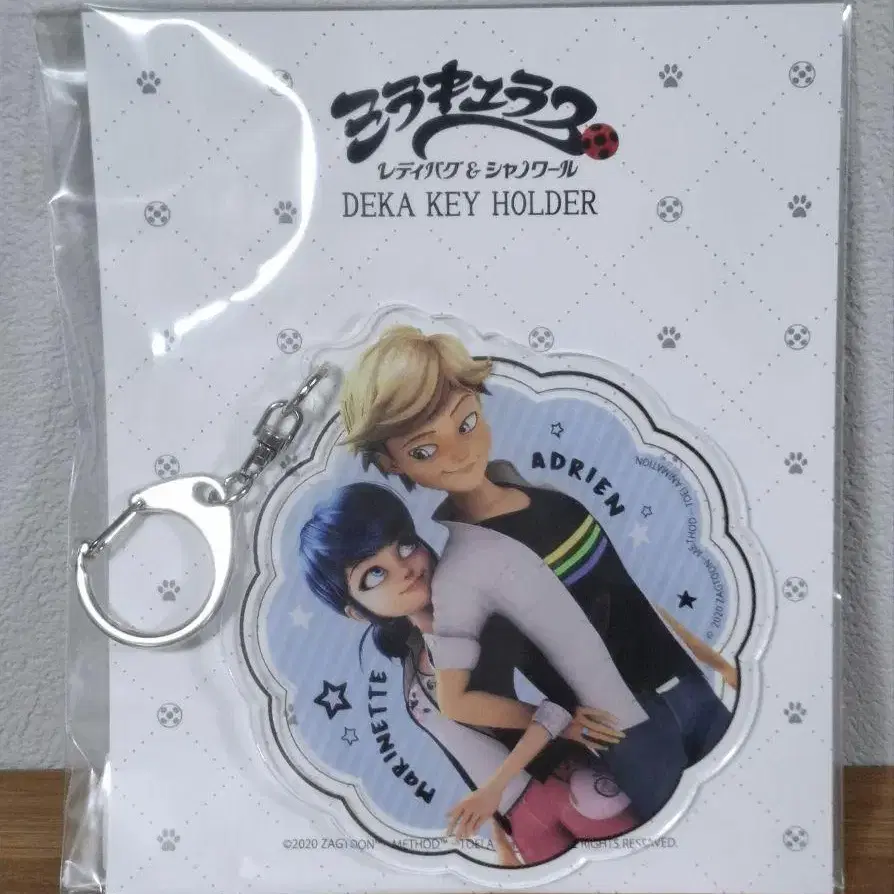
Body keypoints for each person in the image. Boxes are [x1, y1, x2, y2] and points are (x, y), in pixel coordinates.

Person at [339, 325, 737, 826]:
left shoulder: (548, 496)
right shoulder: (459, 573)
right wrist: (556, 722)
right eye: (424, 450)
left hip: (686, 684)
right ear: (390, 462)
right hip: (625, 730)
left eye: (466, 422)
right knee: (688, 832)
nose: (459, 452)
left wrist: (713, 660)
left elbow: (625, 591)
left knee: (747, 789)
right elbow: (454, 701)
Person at [298, 482, 639, 865]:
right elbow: (463, 749)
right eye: (374, 574)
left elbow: (554, 704)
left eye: (405, 545)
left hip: (565, 778)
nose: (404, 569)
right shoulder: (414, 660)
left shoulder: (484, 618)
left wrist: (497, 787)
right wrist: (498, 825)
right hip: (517, 814)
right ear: (356, 612)